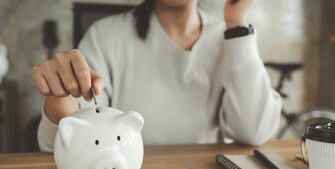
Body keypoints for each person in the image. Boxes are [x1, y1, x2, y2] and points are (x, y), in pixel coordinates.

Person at [33, 0, 282, 152]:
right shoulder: (106, 36)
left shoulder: (228, 37)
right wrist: (60, 94)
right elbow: (75, 133)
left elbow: (254, 131)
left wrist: (237, 23)